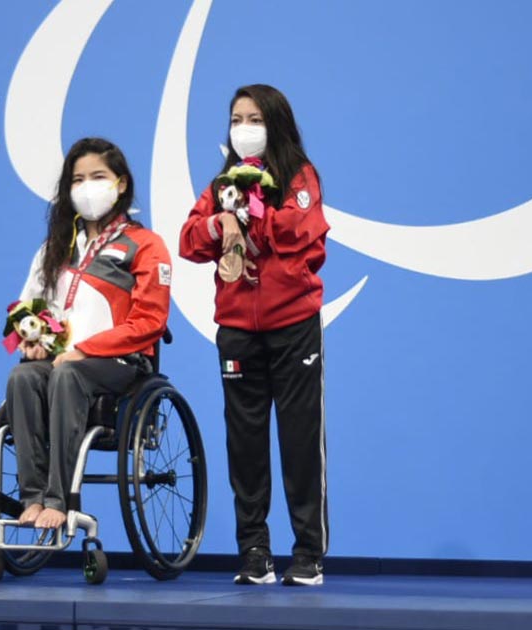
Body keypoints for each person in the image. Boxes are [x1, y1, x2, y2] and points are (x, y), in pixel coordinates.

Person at [179, 85, 330, 586]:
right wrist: (223, 222)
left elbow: (294, 232)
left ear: (276, 123)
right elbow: (189, 239)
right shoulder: (223, 183)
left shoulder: (299, 176)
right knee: (244, 445)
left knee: (299, 440)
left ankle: (308, 553)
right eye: (237, 118)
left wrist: (248, 215)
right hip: (238, 331)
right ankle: (254, 553)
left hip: (293, 329)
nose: (244, 127)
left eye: (254, 118)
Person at [6, 137, 172, 531]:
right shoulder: (56, 246)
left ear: (122, 184)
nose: (86, 187)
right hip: (63, 361)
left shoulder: (145, 245)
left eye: (98, 176)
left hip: (122, 364)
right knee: (22, 377)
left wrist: (84, 350)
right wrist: (31, 340)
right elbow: (28, 307)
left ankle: (59, 500)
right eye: (77, 179)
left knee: (67, 374)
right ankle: (32, 496)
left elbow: (150, 322)